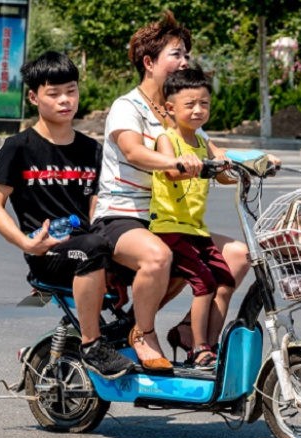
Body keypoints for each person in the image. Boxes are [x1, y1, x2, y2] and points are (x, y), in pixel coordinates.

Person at [91, 11, 250, 370]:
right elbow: (133, 151)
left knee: (238, 255)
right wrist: (173, 164)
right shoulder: (126, 107)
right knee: (158, 256)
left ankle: (192, 335)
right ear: (149, 62)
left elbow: (216, 158)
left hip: (170, 219)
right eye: (176, 54)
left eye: (186, 55)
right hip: (123, 216)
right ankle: (141, 331)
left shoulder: (180, 108)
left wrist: (248, 164)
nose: (184, 61)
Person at [0, 51, 134, 379]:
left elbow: (97, 208)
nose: (65, 100)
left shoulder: (92, 149)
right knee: (93, 247)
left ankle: (133, 329)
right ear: (34, 97)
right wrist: (27, 242)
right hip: (49, 251)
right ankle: (92, 345)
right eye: (54, 93)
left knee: (166, 254)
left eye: (72, 90)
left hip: (91, 243)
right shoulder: (18, 147)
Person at [150, 67, 236, 369]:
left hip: (196, 230)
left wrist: (254, 163)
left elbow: (225, 168)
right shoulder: (167, 139)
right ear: (171, 108)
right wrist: (184, 162)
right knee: (203, 282)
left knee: (224, 282)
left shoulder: (202, 141)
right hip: (169, 228)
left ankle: (211, 346)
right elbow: (171, 170)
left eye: (205, 104)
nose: (199, 110)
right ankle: (197, 348)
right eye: (190, 105)